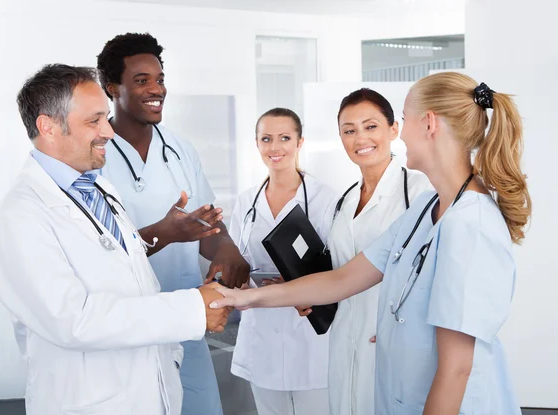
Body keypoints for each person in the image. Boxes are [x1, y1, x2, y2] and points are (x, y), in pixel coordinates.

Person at [211, 72, 531, 415]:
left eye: (404, 120)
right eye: (349, 130)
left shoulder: (471, 223)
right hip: (397, 389)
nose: (402, 132)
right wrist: (245, 298)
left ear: (429, 124)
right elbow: (343, 279)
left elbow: (457, 368)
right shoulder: (427, 209)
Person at [0, 64, 231, 415]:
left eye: (106, 119)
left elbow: (117, 264)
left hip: (149, 391)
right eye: (94, 120)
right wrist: (192, 308)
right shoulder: (21, 217)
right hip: (91, 403)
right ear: (48, 126)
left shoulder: (98, 189)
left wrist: (164, 231)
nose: (109, 132)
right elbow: (73, 320)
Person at [96, 33, 249, 415]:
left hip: (186, 320)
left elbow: (210, 229)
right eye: (142, 80)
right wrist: (165, 233)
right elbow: (97, 252)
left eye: (160, 79)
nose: (156, 89)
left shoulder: (180, 150)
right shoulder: (93, 157)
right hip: (128, 326)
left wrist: (228, 253)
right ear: (111, 87)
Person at [299, 89, 429, 414]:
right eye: (349, 130)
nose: (360, 138)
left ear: (393, 129)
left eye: (370, 126)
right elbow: (340, 272)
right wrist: (306, 293)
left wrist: (405, 331)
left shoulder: (419, 191)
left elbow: (432, 273)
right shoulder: (342, 202)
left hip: (395, 343)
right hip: (344, 341)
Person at [225, 108, 337, 415]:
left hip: (310, 338)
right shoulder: (246, 202)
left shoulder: (326, 199)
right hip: (262, 338)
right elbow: (236, 260)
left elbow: (340, 270)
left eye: (285, 138)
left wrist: (293, 286)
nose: (275, 147)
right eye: (266, 139)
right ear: (257, 144)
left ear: (300, 142)